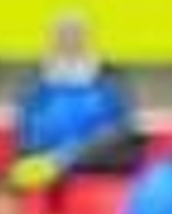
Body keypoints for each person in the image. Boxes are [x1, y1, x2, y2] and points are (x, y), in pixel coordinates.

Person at [10, 12, 144, 191]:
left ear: (87, 38)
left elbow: (125, 127)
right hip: (46, 173)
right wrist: (45, 157)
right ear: (53, 40)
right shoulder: (35, 81)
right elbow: (26, 131)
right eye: (63, 34)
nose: (70, 40)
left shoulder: (110, 77)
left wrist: (66, 156)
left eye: (76, 33)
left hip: (100, 170)